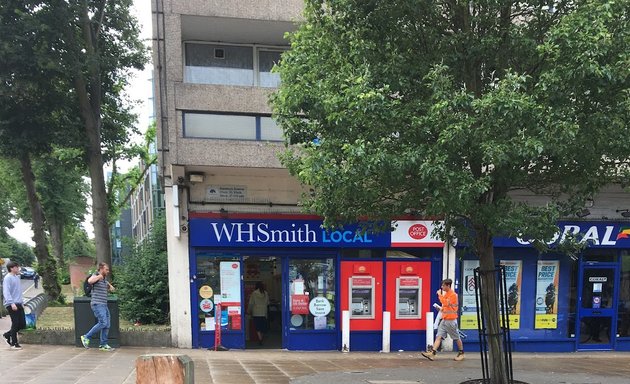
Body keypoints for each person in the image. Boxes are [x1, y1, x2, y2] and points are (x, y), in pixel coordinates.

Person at [422, 278, 465, 361]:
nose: (442, 287)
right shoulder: (447, 294)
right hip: (444, 319)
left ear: (448, 286)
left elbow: (446, 303)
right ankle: (433, 353)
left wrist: (439, 295)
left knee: (456, 337)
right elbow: (446, 306)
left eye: (443, 285)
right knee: (438, 336)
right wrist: (440, 309)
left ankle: (461, 353)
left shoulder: (453, 295)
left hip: (451, 321)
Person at [80, 262, 115, 351]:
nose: (108, 271)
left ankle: (103, 344)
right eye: (106, 269)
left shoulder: (104, 278)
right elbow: (90, 281)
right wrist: (99, 277)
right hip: (97, 304)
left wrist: (109, 285)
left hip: (104, 304)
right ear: (101, 269)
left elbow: (104, 282)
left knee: (107, 324)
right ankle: (86, 336)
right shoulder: (96, 275)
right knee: (103, 322)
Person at [3, 261, 25, 350]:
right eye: (16, 267)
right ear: (11, 268)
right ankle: (14, 343)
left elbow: (18, 291)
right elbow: (6, 292)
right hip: (11, 304)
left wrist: (22, 302)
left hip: (19, 303)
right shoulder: (8, 278)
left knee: (22, 324)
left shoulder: (16, 277)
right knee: (15, 323)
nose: (18, 268)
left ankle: (8, 335)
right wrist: (11, 303)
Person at [247, 281, 269, 346]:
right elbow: (268, 303)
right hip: (264, 312)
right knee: (263, 327)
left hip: (256, 312)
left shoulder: (254, 293)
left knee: (258, 327)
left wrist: (248, 310)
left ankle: (260, 339)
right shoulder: (266, 293)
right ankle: (261, 338)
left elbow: (251, 303)